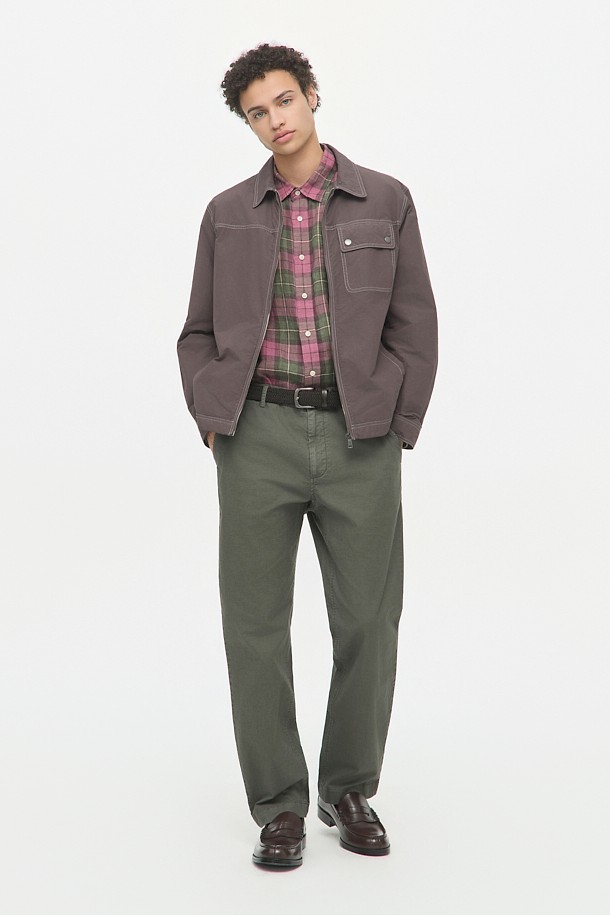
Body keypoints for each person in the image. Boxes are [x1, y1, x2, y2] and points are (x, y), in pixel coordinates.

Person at [177, 42, 438, 868]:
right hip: (257, 436)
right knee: (254, 626)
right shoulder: (227, 213)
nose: (275, 120)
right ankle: (280, 805)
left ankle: (348, 787)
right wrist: (213, 417)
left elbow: (416, 323)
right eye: (258, 112)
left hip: (361, 437)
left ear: (312, 95)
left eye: (284, 100)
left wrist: (398, 423)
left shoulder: (384, 199)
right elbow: (196, 331)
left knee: (369, 619)